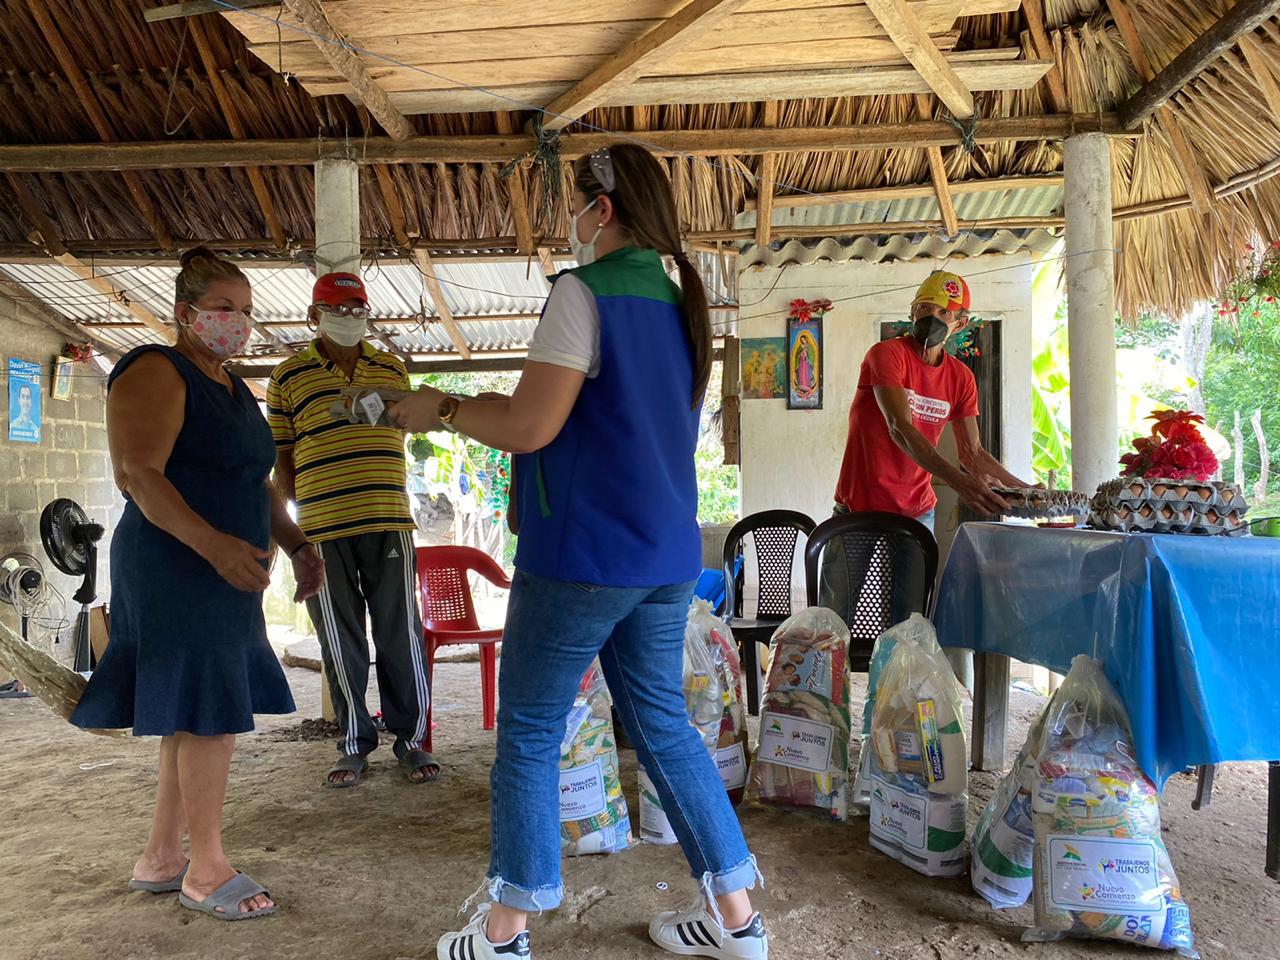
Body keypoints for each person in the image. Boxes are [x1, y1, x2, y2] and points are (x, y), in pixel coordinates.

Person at [389, 144, 768, 960]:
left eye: (574, 201)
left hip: (584, 556)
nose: (570, 217)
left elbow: (531, 426)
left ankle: (505, 935)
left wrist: (443, 408)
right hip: (665, 557)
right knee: (664, 727)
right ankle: (741, 923)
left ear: (603, 208)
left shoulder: (583, 293)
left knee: (528, 727)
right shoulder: (677, 301)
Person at [69, 247, 324, 921]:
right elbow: (139, 475)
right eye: (223, 309)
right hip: (177, 567)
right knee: (208, 712)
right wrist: (213, 547)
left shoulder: (236, 389)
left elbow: (257, 480)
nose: (237, 323)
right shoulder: (157, 370)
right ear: (185, 313)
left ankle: (161, 857)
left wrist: (296, 543)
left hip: (227, 567)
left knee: (192, 709)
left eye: (245, 311)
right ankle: (206, 870)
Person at [267, 272, 436, 788]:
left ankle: (411, 740)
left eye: (357, 307)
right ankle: (353, 743)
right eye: (337, 308)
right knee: (339, 640)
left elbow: (404, 432)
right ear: (314, 315)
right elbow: (283, 459)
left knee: (399, 633)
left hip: (387, 520)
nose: (349, 316)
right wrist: (296, 529)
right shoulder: (288, 377)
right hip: (321, 529)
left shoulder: (391, 368)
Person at [819, 270, 1032, 624]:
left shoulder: (961, 378)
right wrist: (959, 481)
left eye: (944, 313)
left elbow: (973, 454)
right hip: (857, 509)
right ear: (912, 312)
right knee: (832, 620)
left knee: (909, 620)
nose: (931, 318)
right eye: (924, 308)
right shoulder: (886, 355)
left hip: (915, 513)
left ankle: (894, 682)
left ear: (960, 323)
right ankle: (827, 681)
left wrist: (1024, 490)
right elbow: (899, 428)